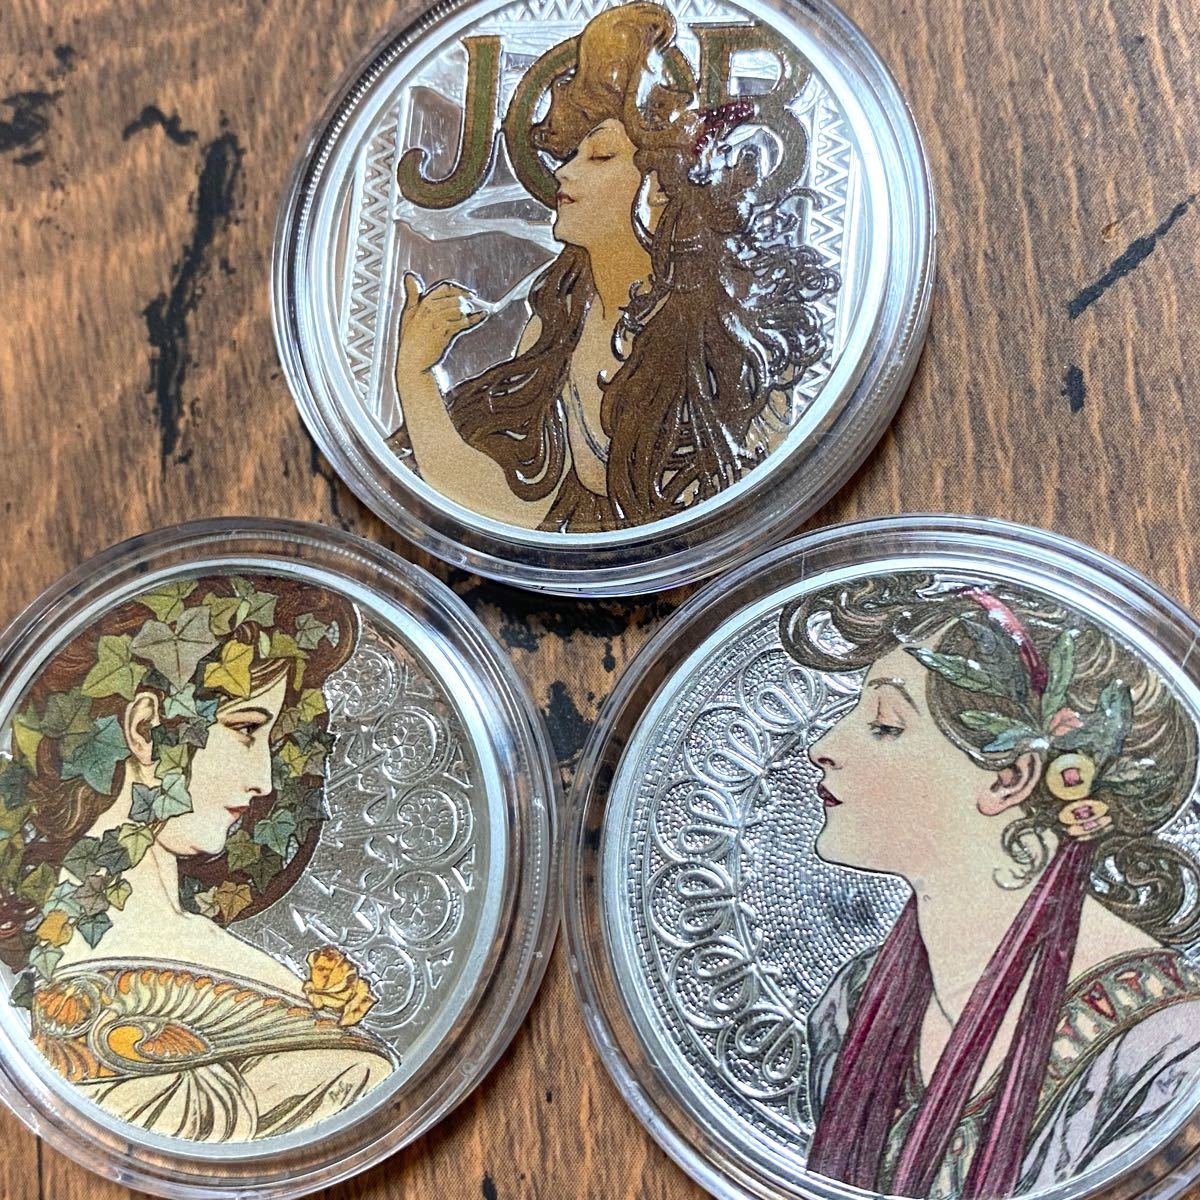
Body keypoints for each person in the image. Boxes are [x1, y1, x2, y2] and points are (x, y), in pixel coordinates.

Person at [780, 574, 1200, 1199]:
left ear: (1010, 779)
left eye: (886, 725)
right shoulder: (852, 1004)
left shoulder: (1170, 1047)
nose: (823, 747)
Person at [392, 1, 838, 532]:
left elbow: (739, 504)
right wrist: (415, 374)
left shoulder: (727, 338)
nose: (564, 174)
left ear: (661, 190)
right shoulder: (560, 320)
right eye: (570, 156)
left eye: (599, 157)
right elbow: (514, 510)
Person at [0, 575, 394, 1141]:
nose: (263, 781)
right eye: (245, 729)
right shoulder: (80, 969)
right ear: (145, 729)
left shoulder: (217, 954)